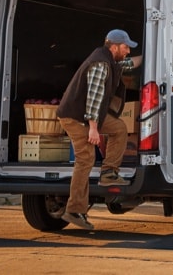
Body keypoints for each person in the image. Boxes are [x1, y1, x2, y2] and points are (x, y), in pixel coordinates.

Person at [57, 29, 142, 230]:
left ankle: (109, 173)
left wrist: (152, 53)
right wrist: (93, 129)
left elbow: (130, 64)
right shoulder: (100, 65)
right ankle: (75, 210)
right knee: (85, 159)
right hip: (76, 118)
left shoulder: (112, 61)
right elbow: (93, 99)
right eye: (125, 47)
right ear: (113, 46)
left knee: (119, 128)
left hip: (88, 117)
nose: (128, 50)